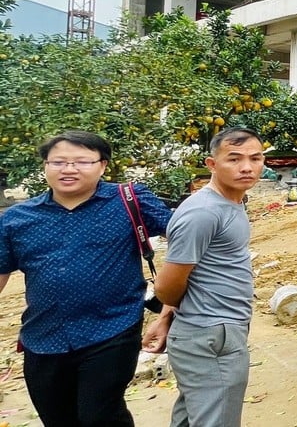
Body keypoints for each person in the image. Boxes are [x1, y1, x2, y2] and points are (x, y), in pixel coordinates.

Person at [0, 130, 172, 426]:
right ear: (45, 166)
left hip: (113, 328)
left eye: (81, 161)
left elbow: (188, 240)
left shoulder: (129, 200)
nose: (69, 169)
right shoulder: (17, 219)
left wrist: (170, 306)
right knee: (58, 419)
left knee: (100, 416)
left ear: (103, 165)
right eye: (58, 162)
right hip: (42, 337)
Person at [148, 127, 263, 427]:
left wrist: (165, 319)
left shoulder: (232, 201)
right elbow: (166, 286)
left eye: (255, 158)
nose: (247, 167)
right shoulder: (203, 212)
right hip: (211, 335)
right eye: (234, 159)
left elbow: (198, 273)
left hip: (213, 329)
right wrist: (181, 314)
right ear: (212, 164)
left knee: (194, 416)